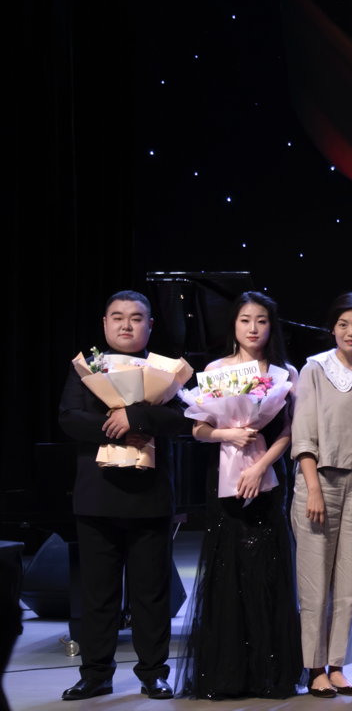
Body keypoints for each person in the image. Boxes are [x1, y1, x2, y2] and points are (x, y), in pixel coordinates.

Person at [58, 291, 188, 701]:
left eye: (136, 318)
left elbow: (183, 416)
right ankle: (96, 674)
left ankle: (154, 673)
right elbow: (68, 418)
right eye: (117, 317)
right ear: (105, 324)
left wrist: (136, 415)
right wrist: (115, 428)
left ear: (150, 325)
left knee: (152, 593)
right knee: (99, 594)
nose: (126, 325)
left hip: (150, 497)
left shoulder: (164, 370)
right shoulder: (86, 368)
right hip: (97, 496)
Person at [178, 292, 304, 699]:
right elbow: (198, 429)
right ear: (233, 325)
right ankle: (228, 674)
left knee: (267, 569)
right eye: (245, 320)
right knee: (227, 568)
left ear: (271, 326)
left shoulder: (285, 372)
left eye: (261, 320)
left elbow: (290, 431)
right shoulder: (215, 370)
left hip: (267, 477)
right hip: (224, 479)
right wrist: (227, 433)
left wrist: (260, 465)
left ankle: (270, 673)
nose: (253, 328)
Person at [290, 292, 352, 697]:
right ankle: (314, 668)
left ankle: (338, 665)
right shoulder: (315, 368)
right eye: (344, 324)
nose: (351, 331)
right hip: (321, 480)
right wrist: (312, 487)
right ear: (332, 328)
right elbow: (302, 433)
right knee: (315, 582)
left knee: (347, 582)